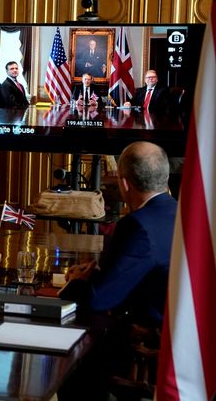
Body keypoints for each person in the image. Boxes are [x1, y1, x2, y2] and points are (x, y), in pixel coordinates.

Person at [57, 141, 177, 400]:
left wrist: (76, 281)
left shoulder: (138, 226)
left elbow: (100, 298)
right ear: (165, 177)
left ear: (124, 184)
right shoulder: (180, 212)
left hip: (143, 343)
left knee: (72, 366)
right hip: (173, 334)